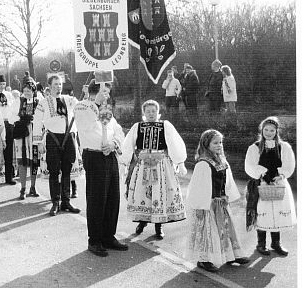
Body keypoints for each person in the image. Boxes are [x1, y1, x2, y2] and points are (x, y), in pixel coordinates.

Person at [74, 79, 128, 257]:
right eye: (104, 92)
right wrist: (97, 102)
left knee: (113, 197)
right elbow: (87, 123)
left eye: (108, 93)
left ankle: (108, 236)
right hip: (94, 155)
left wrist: (114, 143)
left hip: (109, 154)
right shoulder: (82, 106)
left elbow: (118, 130)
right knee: (97, 198)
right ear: (93, 91)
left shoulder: (107, 111)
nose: (107, 96)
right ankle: (95, 239)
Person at [121, 100, 187, 239]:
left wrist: (180, 162)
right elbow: (128, 145)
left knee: (159, 192)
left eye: (153, 111)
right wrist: (125, 163)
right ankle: (142, 221)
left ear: (158, 112)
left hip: (161, 164)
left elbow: (175, 142)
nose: (151, 114)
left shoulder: (165, 126)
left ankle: (159, 225)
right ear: (144, 113)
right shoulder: (137, 127)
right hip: (143, 164)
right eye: (148, 111)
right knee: (143, 193)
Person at [185, 129, 249, 272]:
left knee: (226, 229)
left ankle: (231, 255)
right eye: (215, 142)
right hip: (208, 204)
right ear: (206, 144)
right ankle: (204, 259)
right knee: (209, 232)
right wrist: (201, 206)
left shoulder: (221, 160)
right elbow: (198, 187)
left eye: (220, 142)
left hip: (221, 202)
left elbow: (228, 180)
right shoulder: (203, 163)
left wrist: (227, 195)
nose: (219, 145)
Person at [244, 116, 296, 256]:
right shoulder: (255, 147)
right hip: (261, 184)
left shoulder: (284, 147)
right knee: (262, 212)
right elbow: (250, 165)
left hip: (278, 183)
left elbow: (289, 164)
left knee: (277, 212)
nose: (268, 132)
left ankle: (276, 243)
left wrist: (282, 175)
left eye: (272, 130)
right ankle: (261, 244)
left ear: (276, 131)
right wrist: (261, 173)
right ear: (262, 130)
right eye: (266, 129)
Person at [32, 74, 80, 216]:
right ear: (49, 86)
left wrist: (87, 96)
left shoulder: (70, 100)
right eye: (55, 85)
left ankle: (66, 202)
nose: (58, 87)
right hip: (52, 138)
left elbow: (82, 109)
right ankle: (55, 202)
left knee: (67, 170)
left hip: (68, 138)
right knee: (54, 171)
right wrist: (38, 142)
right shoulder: (43, 103)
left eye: (59, 84)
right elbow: (37, 123)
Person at [12, 81, 41, 199]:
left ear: (34, 91)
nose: (27, 93)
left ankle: (33, 187)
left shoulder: (38, 102)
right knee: (22, 161)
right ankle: (23, 188)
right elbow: (11, 116)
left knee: (34, 160)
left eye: (29, 91)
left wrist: (34, 120)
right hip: (22, 132)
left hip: (34, 133)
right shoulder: (18, 101)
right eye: (25, 91)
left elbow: (42, 118)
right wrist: (21, 118)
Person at [0, 75, 16, 185]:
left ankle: (9, 176)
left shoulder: (9, 95)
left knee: (9, 150)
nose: (1, 86)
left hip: (8, 123)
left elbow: (14, 109)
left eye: (3, 84)